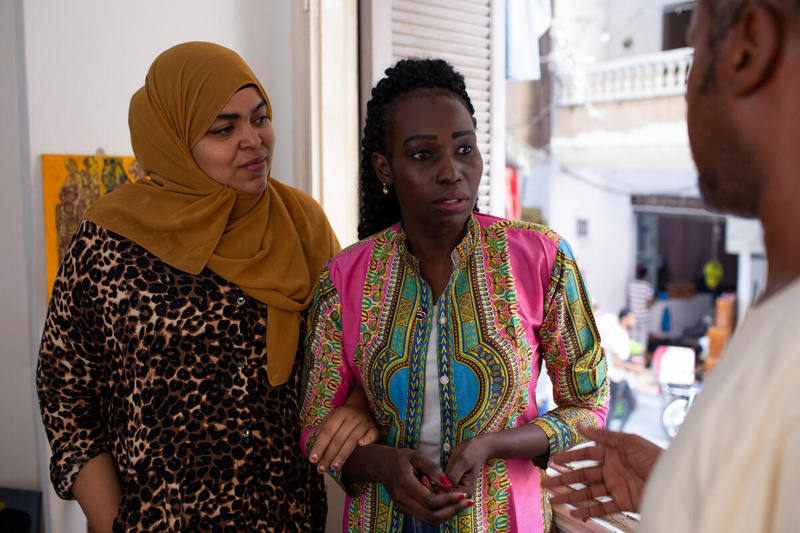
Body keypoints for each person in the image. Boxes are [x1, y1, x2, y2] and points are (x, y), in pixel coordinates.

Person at [36, 42, 376, 533]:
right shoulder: (109, 239)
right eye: (224, 129)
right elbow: (65, 392)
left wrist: (359, 407)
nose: (253, 140)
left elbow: (355, 355)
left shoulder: (301, 223)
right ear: (173, 138)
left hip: (286, 518)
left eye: (260, 118)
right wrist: (114, 521)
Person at [300, 58, 609, 532]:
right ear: (385, 167)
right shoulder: (344, 279)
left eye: (465, 149)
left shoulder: (541, 259)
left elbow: (588, 406)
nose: (452, 172)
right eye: (424, 155)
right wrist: (383, 465)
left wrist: (495, 444)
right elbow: (315, 428)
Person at [543, 1, 800, 530]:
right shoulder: (774, 317)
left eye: (696, 45)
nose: (685, 90)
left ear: (746, 49)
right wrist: (678, 486)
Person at [602, 308, 644, 431]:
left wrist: (633, 360)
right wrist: (634, 367)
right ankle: (605, 437)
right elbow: (616, 361)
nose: (634, 321)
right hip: (613, 377)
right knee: (611, 408)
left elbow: (622, 357)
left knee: (631, 403)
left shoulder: (624, 334)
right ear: (624, 318)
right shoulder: (617, 334)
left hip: (621, 377)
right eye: (632, 318)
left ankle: (618, 432)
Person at [627, 264, 654, 347]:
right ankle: (641, 357)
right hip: (644, 317)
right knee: (643, 339)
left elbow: (628, 300)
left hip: (633, 316)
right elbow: (649, 304)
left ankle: (634, 356)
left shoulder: (630, 286)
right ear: (645, 275)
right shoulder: (648, 287)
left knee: (634, 337)